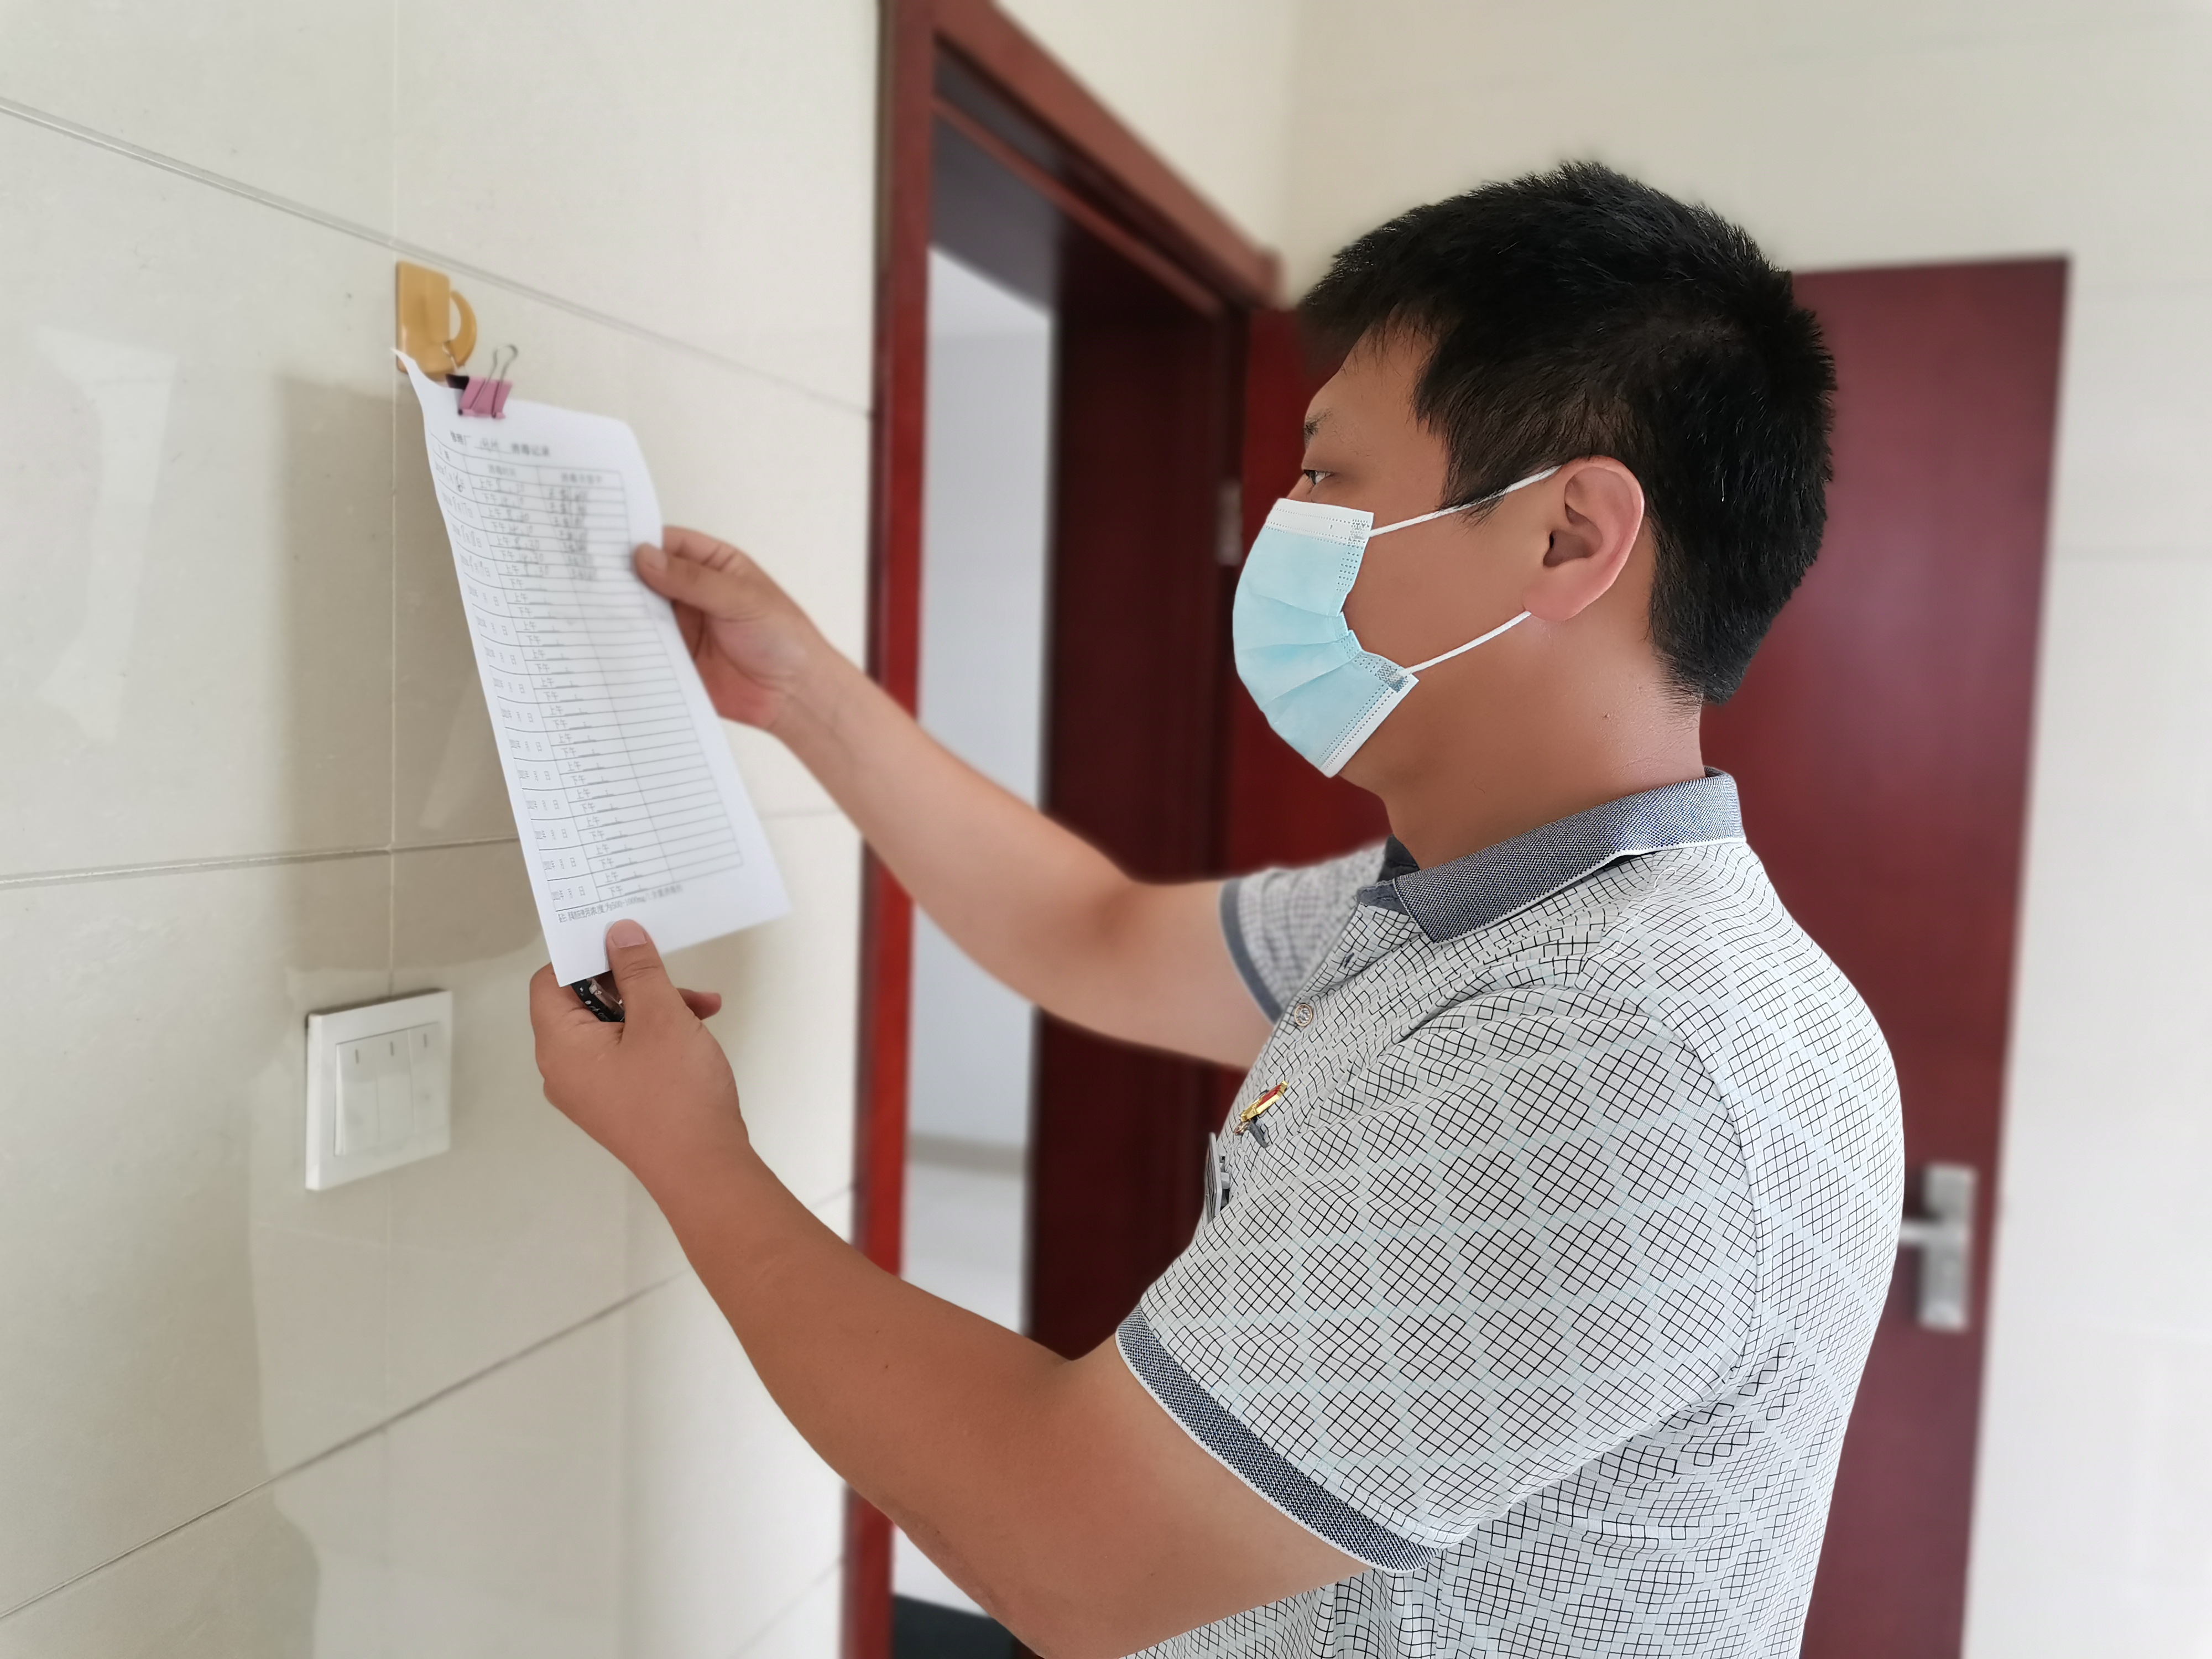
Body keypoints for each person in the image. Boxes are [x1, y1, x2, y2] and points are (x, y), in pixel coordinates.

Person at [528, 162, 1902, 1659]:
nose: (1279, 529)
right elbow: (1098, 937)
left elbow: (1067, 1547)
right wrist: (803, 694)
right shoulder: (1481, 913)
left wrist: (691, 1154)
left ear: (1569, 536)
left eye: (1329, 477)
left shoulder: (1611, 1045)